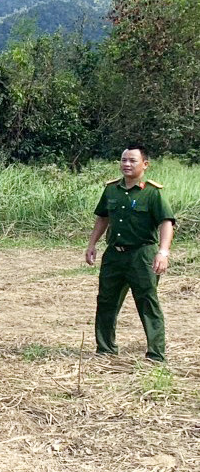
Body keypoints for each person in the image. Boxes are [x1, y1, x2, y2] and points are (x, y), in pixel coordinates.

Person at [83, 145, 175, 363]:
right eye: (123, 160)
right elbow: (103, 218)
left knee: (147, 302)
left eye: (132, 160)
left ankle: (155, 354)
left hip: (142, 255)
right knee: (106, 301)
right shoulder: (111, 190)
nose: (126, 164)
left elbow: (166, 222)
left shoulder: (152, 193)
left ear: (145, 164)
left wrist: (163, 252)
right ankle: (105, 349)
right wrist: (92, 244)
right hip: (114, 255)